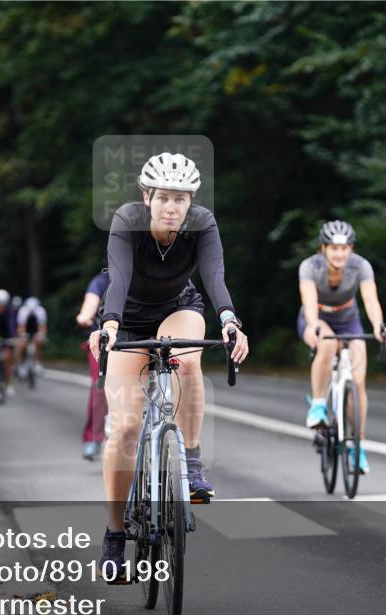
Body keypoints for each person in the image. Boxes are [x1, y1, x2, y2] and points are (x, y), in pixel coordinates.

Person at [89, 152, 248, 580]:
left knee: (189, 361)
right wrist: (108, 325)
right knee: (123, 427)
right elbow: (117, 279)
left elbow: (214, 275)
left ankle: (191, 462)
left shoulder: (202, 223)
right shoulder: (127, 221)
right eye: (164, 198)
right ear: (147, 197)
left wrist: (230, 319)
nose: (173, 208)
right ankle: (116, 534)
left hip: (178, 308)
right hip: (126, 320)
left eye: (182, 199)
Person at [298, 220, 386, 474]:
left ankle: (357, 445)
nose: (339, 254)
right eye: (334, 248)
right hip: (317, 317)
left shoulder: (361, 266)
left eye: (345, 248)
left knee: (358, 384)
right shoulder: (309, 266)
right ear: (324, 249)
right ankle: (318, 404)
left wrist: (379, 327)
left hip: (349, 320)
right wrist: (313, 326)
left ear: (351, 249)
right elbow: (308, 302)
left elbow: (371, 301)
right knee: (327, 344)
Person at [76, 270, 110, 461]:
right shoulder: (101, 281)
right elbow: (90, 303)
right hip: (102, 342)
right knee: (100, 388)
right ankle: (94, 438)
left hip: (133, 339)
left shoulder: (139, 275)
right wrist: (84, 316)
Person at [15, 296, 48, 376]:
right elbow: (20, 327)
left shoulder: (40, 311)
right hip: (25, 329)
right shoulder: (23, 311)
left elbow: (42, 326)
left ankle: (37, 363)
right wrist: (22, 336)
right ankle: (20, 364)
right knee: (22, 345)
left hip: (35, 329)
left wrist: (41, 335)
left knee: (38, 343)